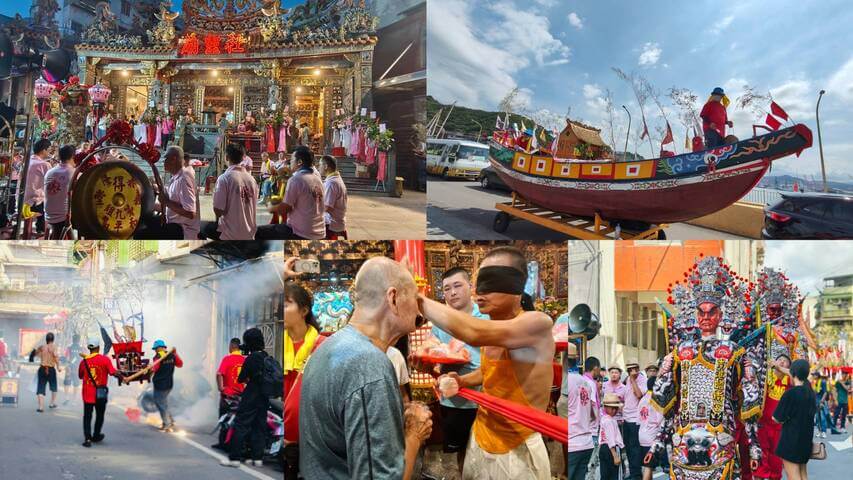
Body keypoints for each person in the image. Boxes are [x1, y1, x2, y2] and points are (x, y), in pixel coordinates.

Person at [418, 246, 554, 479]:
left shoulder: (537, 324)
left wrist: (417, 299)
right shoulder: (492, 330)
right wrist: (461, 380)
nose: (479, 293)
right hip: (481, 433)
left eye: (491, 282)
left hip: (517, 445)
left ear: (517, 286)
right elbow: (488, 372)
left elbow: (472, 332)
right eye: (479, 284)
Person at [298, 257, 433, 479]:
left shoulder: (328, 347)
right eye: (416, 297)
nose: (420, 311)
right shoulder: (370, 364)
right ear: (393, 298)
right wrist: (414, 434)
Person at [431, 267, 487, 474]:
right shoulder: (440, 320)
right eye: (447, 288)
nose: (452, 292)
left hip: (483, 397)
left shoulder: (486, 316)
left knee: (485, 451)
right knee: (460, 452)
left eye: (457, 286)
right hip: (452, 399)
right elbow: (434, 356)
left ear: (470, 287)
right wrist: (429, 364)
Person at [283, 282, 327, 478]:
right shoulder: (275, 343)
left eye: (285, 304)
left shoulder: (322, 346)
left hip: (310, 438)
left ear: (304, 310)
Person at [220, 328, 276, 467]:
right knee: (259, 426)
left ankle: (234, 458)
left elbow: (241, 378)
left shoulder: (252, 358)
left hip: (251, 395)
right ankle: (257, 458)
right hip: (264, 397)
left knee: (241, 425)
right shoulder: (265, 356)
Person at [202, 143, 258, 240]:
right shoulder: (252, 180)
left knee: (200, 228)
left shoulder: (225, 178)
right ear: (242, 158)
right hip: (249, 233)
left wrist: (215, 196)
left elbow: (218, 211)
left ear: (227, 157)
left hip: (230, 234)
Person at [773, 359, 816, 480]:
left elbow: (776, 418)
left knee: (793, 476)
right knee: (803, 475)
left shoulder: (790, 394)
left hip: (791, 441)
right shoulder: (810, 393)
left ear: (793, 373)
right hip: (805, 441)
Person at [78, 335, 122, 447]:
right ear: (98, 347)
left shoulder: (84, 362)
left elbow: (80, 376)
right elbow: (113, 372)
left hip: (87, 394)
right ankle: (96, 435)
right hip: (100, 394)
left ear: (89, 348)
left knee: (87, 416)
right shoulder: (105, 360)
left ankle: (87, 439)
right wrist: (123, 375)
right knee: (100, 415)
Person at [564, 343, 595, 480]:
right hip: (586, 442)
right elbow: (592, 414)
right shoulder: (586, 383)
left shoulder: (567, 381)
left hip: (573, 442)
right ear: (577, 359)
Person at [281, 146, 324, 239]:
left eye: (292, 159)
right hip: (319, 230)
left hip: (301, 231)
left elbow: (286, 208)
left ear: (299, 162)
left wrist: (272, 206)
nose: (290, 162)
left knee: (259, 231)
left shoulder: (296, 179)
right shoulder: (317, 178)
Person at [160, 145, 199, 239]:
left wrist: (166, 202)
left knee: (142, 234)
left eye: (165, 159)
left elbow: (190, 213)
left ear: (173, 159)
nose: (163, 162)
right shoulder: (176, 177)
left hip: (182, 230)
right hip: (174, 224)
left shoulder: (184, 178)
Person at [42, 144, 75, 239]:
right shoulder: (72, 172)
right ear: (73, 156)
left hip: (48, 212)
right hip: (62, 216)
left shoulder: (50, 171)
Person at [150, 339, 183, 432]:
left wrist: (148, 369)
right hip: (169, 384)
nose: (155, 350)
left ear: (160, 348)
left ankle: (167, 424)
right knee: (163, 403)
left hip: (160, 384)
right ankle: (170, 421)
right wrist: (176, 354)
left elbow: (154, 369)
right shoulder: (172, 355)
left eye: (156, 348)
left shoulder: (157, 357)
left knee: (160, 404)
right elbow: (180, 364)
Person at [623, 362, 647, 480]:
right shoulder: (626, 379)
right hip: (626, 418)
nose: (633, 372)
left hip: (635, 420)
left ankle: (636, 475)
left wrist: (633, 380)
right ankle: (633, 473)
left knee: (634, 449)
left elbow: (638, 394)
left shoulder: (642, 380)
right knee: (628, 447)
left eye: (635, 369)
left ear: (638, 369)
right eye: (630, 370)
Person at [24, 138, 52, 234]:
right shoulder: (44, 164)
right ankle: (41, 232)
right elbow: (51, 182)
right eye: (49, 150)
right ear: (44, 150)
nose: (49, 152)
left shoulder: (27, 161)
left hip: (22, 198)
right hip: (36, 200)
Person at [638, 376, 663, 480]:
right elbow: (659, 420)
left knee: (647, 466)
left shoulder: (642, 400)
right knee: (649, 466)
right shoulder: (656, 400)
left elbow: (638, 420)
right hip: (652, 437)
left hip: (642, 436)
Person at [215, 337, 245, 421]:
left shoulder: (227, 359)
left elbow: (219, 374)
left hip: (228, 397)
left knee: (223, 421)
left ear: (231, 346)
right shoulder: (244, 360)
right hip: (240, 398)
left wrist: (220, 388)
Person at [29, 332, 60, 411]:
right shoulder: (54, 347)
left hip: (42, 369)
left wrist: (32, 356)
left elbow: (35, 353)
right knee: (54, 387)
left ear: (46, 339)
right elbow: (56, 357)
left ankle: (41, 407)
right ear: (53, 339)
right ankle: (52, 403)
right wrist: (58, 367)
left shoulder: (42, 347)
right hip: (51, 370)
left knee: (41, 388)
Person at [599, 393, 625, 480]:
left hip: (603, 448)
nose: (614, 410)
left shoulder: (604, 418)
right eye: (612, 408)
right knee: (615, 475)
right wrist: (615, 455)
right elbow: (611, 439)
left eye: (616, 408)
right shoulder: (610, 421)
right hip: (611, 449)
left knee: (605, 475)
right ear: (605, 407)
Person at [322, 155, 348, 239]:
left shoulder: (331, 183)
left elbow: (327, 207)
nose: (319, 167)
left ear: (325, 166)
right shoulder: (336, 179)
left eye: (320, 165)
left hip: (332, 222)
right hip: (339, 220)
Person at [62, 333, 84, 404]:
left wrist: (67, 366)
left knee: (67, 383)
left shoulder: (69, 348)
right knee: (76, 384)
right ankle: (74, 400)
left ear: (72, 339)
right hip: (78, 369)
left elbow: (66, 357)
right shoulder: (82, 348)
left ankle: (66, 397)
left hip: (69, 368)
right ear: (79, 340)